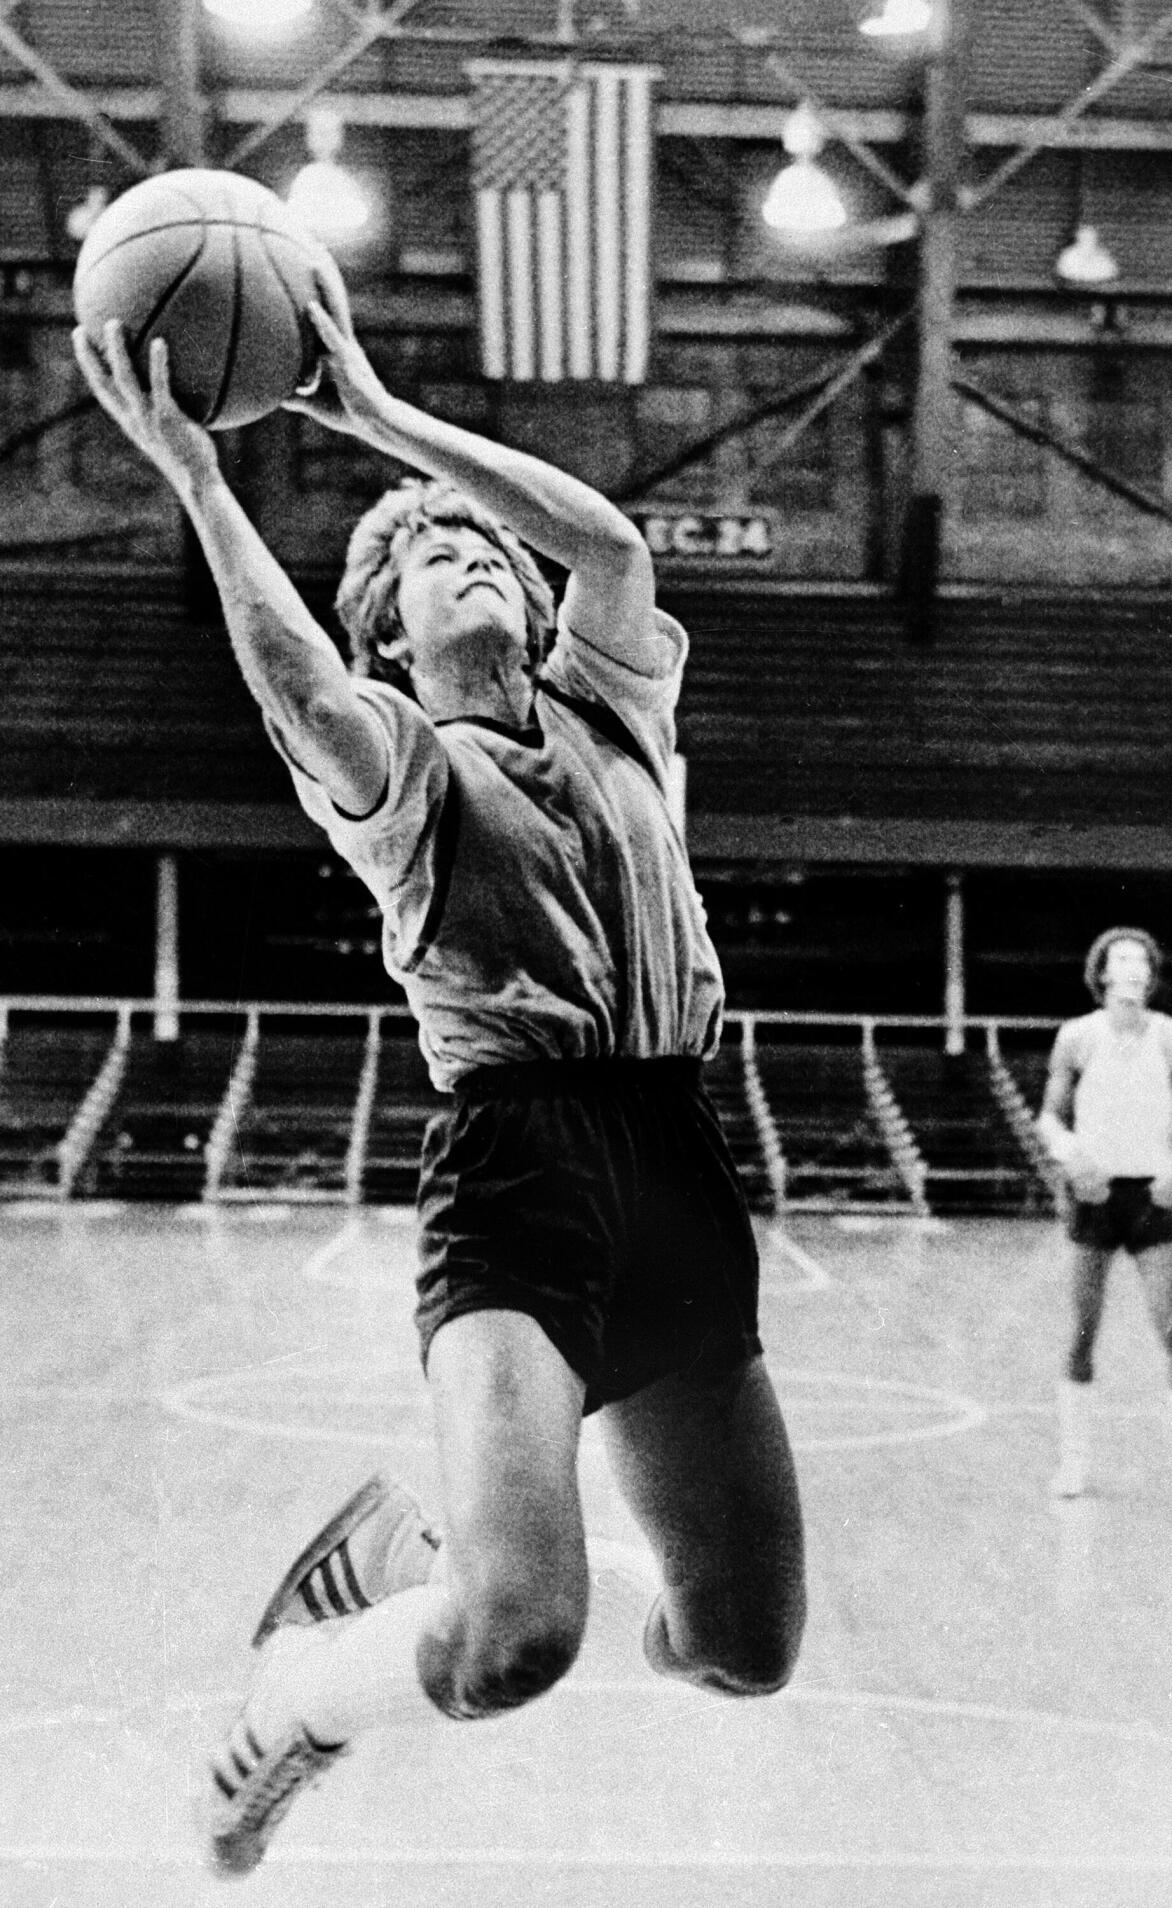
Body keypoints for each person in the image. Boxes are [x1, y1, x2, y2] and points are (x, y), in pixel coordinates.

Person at [73, 304, 806, 1877]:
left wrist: (384, 420)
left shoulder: (616, 709)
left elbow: (604, 545)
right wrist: (207, 482)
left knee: (743, 1649)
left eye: (490, 552)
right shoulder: (399, 770)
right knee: (513, 1647)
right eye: (430, 557)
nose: (478, 558)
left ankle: (455, 1554)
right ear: (388, 631)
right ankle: (300, 1696)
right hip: (521, 1170)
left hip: (683, 1158)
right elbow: (294, 686)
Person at [1037, 926, 1172, 1498]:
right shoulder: (1077, 1037)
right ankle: (1074, 1465)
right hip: (1095, 1195)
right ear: (1103, 972)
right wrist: (1073, 1156)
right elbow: (1050, 1119)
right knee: (1081, 1332)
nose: (1131, 969)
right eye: (1120, 960)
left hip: (1151, 1197)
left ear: (1151, 977)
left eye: (1141, 962)